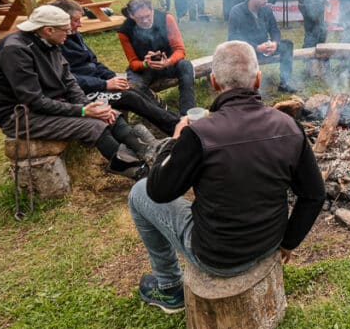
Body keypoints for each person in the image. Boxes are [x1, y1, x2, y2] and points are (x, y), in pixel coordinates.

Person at [128, 40, 325, 313]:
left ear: (213, 82)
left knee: (139, 192)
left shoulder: (199, 134)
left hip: (216, 256)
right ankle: (172, 286)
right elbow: (314, 195)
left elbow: (159, 191)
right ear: (258, 79)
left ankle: (170, 287)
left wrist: (174, 141)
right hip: (270, 242)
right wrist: (288, 242)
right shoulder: (289, 126)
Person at [0, 5, 151, 179]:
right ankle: (137, 170)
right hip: (21, 116)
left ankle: (149, 152)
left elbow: (69, 82)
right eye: (65, 30)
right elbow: (34, 100)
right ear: (49, 30)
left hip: (50, 105)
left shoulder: (50, 41)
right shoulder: (15, 50)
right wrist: (81, 111)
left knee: (108, 113)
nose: (70, 33)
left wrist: (89, 106)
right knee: (93, 126)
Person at [52, 0, 179, 136]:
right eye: (76, 21)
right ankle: (175, 126)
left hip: (96, 82)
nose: (80, 24)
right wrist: (105, 84)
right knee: (130, 97)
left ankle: (172, 120)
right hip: (82, 93)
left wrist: (113, 77)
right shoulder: (56, 44)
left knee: (132, 87)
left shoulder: (74, 36)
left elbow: (94, 62)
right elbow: (68, 79)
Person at [117, 0, 197, 116]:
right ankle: (161, 111)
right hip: (145, 69)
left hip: (169, 65)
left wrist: (168, 62)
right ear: (132, 16)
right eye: (140, 18)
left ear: (152, 11)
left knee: (186, 65)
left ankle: (187, 113)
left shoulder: (166, 19)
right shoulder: (124, 31)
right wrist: (145, 63)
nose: (145, 20)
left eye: (148, 16)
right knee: (133, 85)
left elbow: (180, 50)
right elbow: (133, 62)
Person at [228, 0, 297, 93]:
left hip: (265, 47)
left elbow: (274, 30)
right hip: (247, 50)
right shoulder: (237, 12)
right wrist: (256, 47)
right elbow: (233, 37)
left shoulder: (266, 10)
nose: (266, 1)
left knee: (287, 45)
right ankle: (248, 88)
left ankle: (285, 82)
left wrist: (274, 43)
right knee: (242, 53)